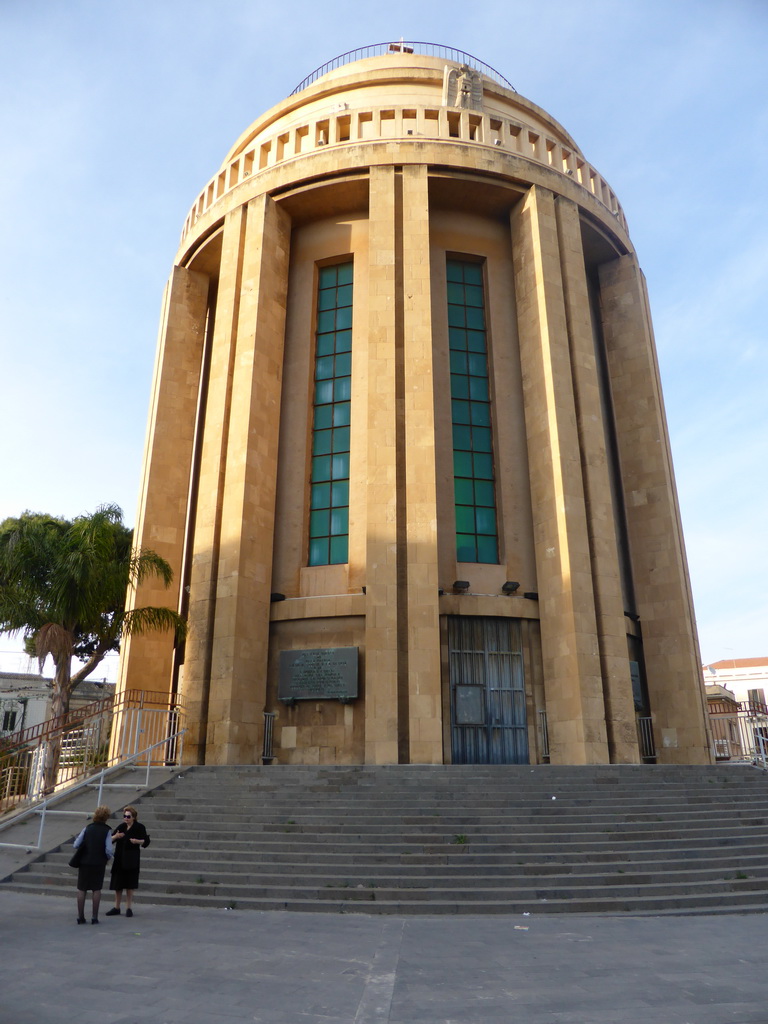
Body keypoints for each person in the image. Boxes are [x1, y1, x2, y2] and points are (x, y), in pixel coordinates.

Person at [106, 805, 150, 917]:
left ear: (134, 817)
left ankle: (129, 907)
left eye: (128, 816)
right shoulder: (121, 826)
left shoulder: (139, 827)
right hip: (120, 858)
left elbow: (146, 841)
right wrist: (116, 836)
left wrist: (136, 841)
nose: (126, 818)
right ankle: (116, 907)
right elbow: (109, 840)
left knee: (130, 884)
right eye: (125, 816)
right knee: (118, 884)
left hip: (131, 858)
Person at [72, 805, 114, 924]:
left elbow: (76, 844)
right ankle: (94, 917)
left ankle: (81, 917)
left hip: (85, 862)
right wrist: (109, 858)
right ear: (106, 817)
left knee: (82, 889)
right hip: (99, 862)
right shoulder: (107, 830)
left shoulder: (88, 828)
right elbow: (109, 849)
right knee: (96, 889)